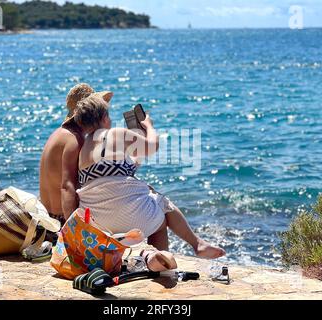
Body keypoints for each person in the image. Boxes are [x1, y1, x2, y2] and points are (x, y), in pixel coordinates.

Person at [73, 95, 225, 259]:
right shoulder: (115, 133)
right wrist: (149, 127)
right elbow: (152, 147)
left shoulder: (83, 149)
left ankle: (156, 258)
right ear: (104, 117)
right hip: (124, 213)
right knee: (161, 211)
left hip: (98, 221)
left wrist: (136, 139)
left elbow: (113, 173)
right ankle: (189, 248)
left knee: (149, 203)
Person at [39, 84, 114, 226]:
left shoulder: (59, 133)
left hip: (46, 216)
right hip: (60, 220)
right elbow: (68, 186)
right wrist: (73, 229)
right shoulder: (75, 141)